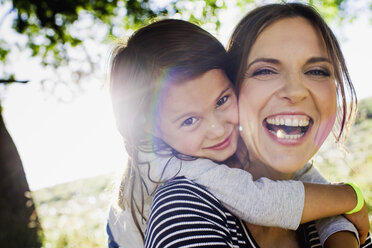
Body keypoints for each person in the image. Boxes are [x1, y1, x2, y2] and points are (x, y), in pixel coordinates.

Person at [107, 17, 369, 248]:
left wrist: (341, 218)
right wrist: (349, 196)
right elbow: (260, 203)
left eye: (222, 101)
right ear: (153, 129)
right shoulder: (174, 172)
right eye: (189, 120)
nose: (218, 129)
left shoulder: (241, 139)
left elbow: (305, 181)